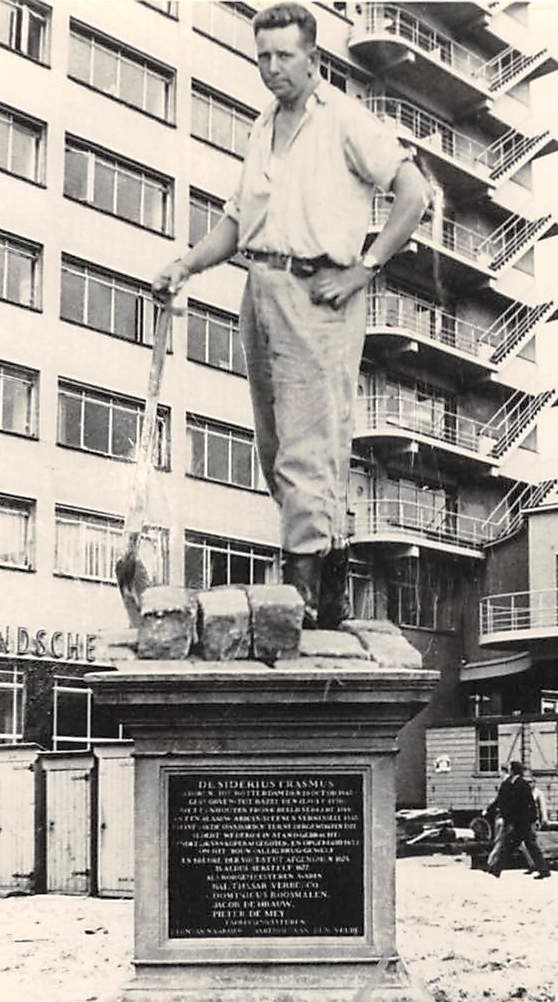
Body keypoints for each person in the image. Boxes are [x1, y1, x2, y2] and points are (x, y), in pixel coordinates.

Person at [152, 2, 429, 628]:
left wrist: (365, 268)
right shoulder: (261, 125)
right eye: (263, 57)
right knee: (275, 446)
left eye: (284, 57)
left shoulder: (346, 120)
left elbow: (415, 194)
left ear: (313, 58)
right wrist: (186, 265)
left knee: (308, 448)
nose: (272, 68)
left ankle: (304, 601)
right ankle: (326, 576)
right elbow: (235, 222)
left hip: (318, 292)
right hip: (261, 285)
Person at [487, 761, 551, 880]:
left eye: (510, 769)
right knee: (517, 846)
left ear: (513, 771)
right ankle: (543, 870)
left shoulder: (521, 784)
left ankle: (496, 869)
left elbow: (528, 804)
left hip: (522, 822)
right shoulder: (513, 783)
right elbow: (502, 800)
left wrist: (531, 820)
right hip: (518, 822)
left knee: (512, 846)